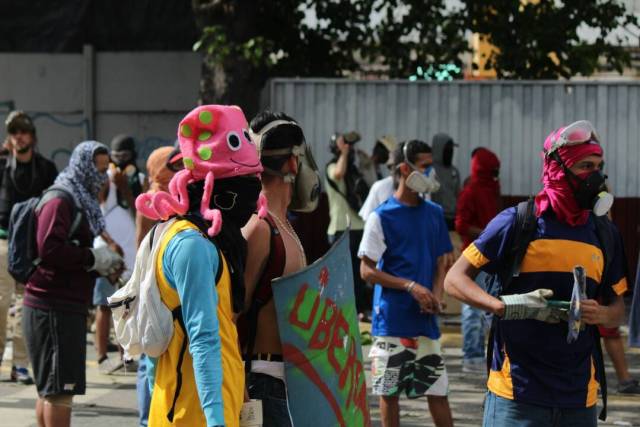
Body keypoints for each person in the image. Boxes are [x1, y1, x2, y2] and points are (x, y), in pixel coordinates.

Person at [445, 121, 627, 426]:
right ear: (558, 169)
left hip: (579, 400)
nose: (595, 176)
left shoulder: (604, 233)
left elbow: (618, 310)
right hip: (516, 397)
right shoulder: (517, 222)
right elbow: (454, 279)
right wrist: (501, 306)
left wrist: (602, 314)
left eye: (599, 166)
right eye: (585, 166)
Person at [136, 105, 266, 427]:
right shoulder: (190, 245)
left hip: (209, 410)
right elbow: (202, 339)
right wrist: (216, 422)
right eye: (245, 181)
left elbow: (221, 333)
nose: (254, 192)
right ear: (215, 189)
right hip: (192, 417)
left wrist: (241, 401)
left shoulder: (209, 241)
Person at [22, 141, 124, 427]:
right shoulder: (62, 199)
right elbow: (49, 248)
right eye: (97, 168)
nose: (101, 176)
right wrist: (91, 258)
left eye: (105, 170)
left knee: (51, 390)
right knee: (59, 391)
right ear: (82, 165)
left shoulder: (80, 199)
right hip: (54, 305)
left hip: (60, 303)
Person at [359, 140, 454, 427]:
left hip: (425, 323)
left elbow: (442, 260)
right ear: (404, 168)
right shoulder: (381, 216)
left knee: (438, 392)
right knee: (389, 392)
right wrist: (411, 286)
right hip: (391, 323)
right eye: (424, 166)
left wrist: (435, 294)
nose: (430, 173)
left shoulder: (434, 213)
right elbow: (366, 270)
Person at [242, 111, 319, 426]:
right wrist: (244, 402)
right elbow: (229, 316)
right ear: (293, 163)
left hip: (287, 383)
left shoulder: (283, 225)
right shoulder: (260, 229)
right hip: (262, 383)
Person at [0, 111, 58, 385]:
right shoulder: (2, 165)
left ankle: (21, 364)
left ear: (32, 136)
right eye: (13, 132)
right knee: (1, 303)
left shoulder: (46, 168)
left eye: (23, 131)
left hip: (33, 245)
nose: (18, 136)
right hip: (3, 240)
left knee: (26, 305)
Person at [133, 145, 181, 427]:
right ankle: (149, 419)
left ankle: (149, 418)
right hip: (158, 289)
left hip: (150, 286)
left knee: (150, 356)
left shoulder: (155, 195)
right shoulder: (157, 199)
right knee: (152, 361)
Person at [93, 136, 145, 374]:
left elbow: (140, 212)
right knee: (103, 305)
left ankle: (127, 355)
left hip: (132, 254)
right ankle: (102, 356)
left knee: (127, 306)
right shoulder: (105, 180)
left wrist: (125, 187)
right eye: (116, 158)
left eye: (125, 157)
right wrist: (110, 181)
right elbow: (99, 205)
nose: (121, 163)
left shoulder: (140, 180)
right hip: (106, 252)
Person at [454, 147, 501, 373]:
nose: (496, 174)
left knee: (490, 309)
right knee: (473, 308)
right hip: (473, 257)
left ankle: (487, 354)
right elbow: (460, 225)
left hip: (492, 257)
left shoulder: (491, 189)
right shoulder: (471, 191)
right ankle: (471, 355)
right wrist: (487, 234)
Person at [325, 132, 370, 319]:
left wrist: (363, 156)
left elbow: (369, 171)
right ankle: (341, 309)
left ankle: (358, 309)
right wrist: (344, 152)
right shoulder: (332, 166)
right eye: (343, 147)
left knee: (358, 273)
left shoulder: (354, 169)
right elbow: (338, 173)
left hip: (359, 226)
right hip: (340, 227)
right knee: (342, 273)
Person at [431, 133, 460, 230]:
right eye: (447, 150)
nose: (450, 152)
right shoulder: (431, 171)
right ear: (439, 150)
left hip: (453, 218)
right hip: (436, 218)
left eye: (451, 150)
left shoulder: (454, 171)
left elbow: (458, 194)